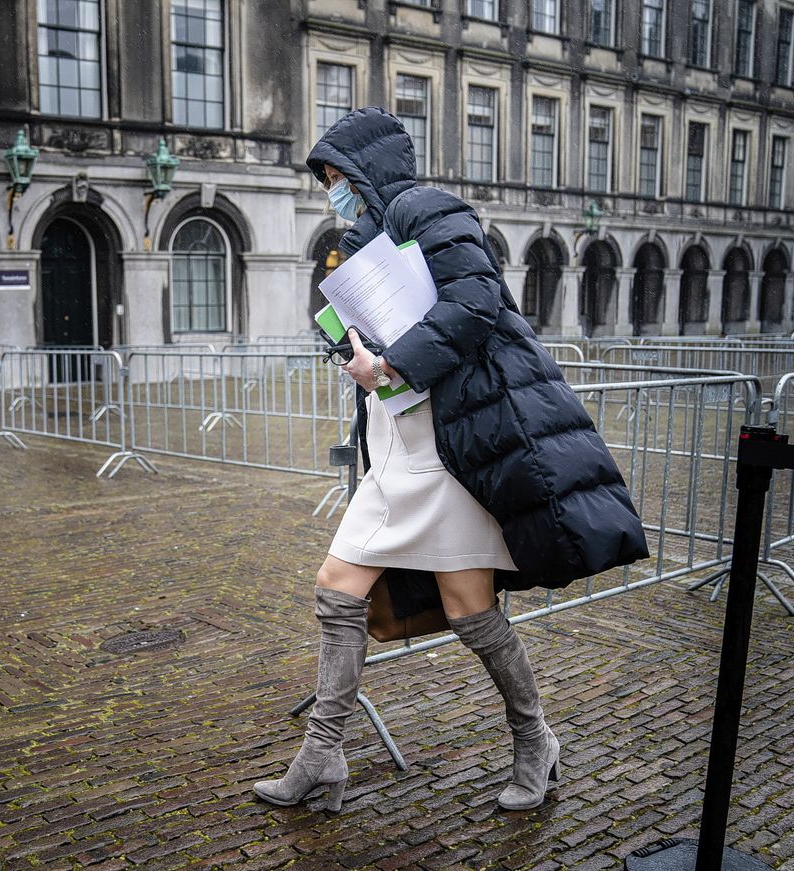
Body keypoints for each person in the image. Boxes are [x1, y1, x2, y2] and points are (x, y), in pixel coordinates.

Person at [253, 108, 649, 812]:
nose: (332, 191)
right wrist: (349, 350)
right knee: (336, 589)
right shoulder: (361, 238)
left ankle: (536, 739)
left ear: (367, 172)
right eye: (327, 181)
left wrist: (394, 361)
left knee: (470, 610)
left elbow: (476, 302)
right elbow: (366, 322)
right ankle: (323, 755)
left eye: (338, 177)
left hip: (450, 449)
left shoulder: (431, 209)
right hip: (398, 446)